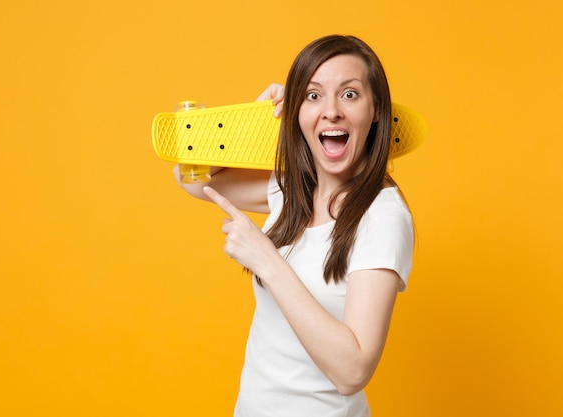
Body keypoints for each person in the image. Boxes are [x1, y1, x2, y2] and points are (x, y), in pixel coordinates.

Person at [174, 34, 414, 417]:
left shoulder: (381, 216)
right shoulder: (293, 191)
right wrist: (248, 125)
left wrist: (268, 261)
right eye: (313, 96)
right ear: (297, 113)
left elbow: (353, 371)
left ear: (377, 111)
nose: (331, 111)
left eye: (349, 94)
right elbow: (190, 177)